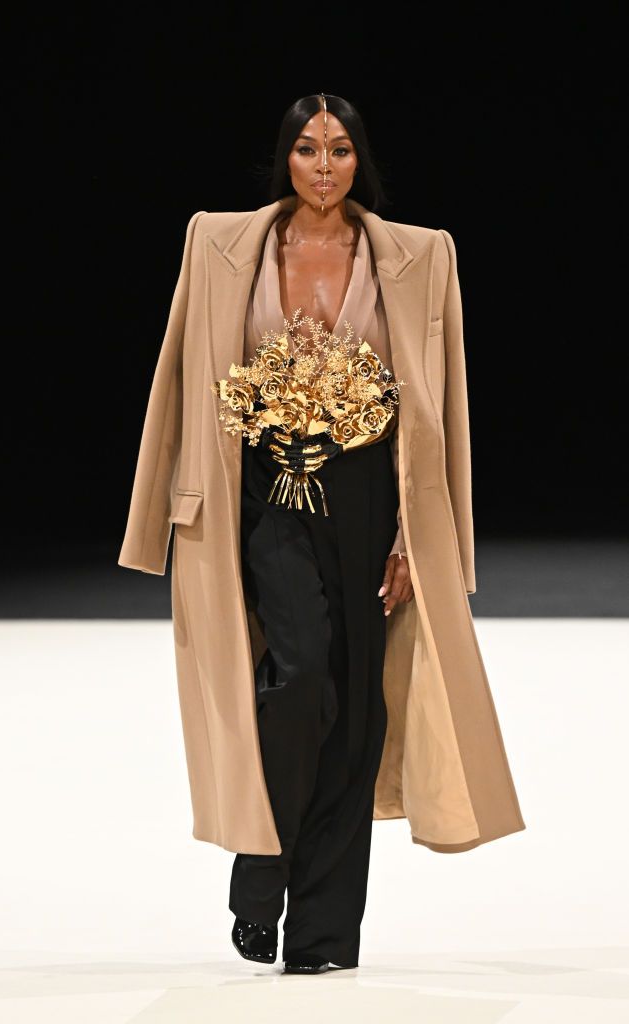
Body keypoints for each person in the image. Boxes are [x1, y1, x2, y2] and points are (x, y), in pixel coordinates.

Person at [118, 92, 526, 977]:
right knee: (300, 677)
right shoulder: (221, 243)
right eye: (307, 150)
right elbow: (178, 369)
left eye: (340, 150)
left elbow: (440, 405)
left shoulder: (419, 256)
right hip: (264, 489)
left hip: (369, 496)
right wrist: (161, 507)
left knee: (358, 712)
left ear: (358, 158)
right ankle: (262, 871)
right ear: (286, 158)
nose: (325, 166)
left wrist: (424, 539)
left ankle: (322, 938)